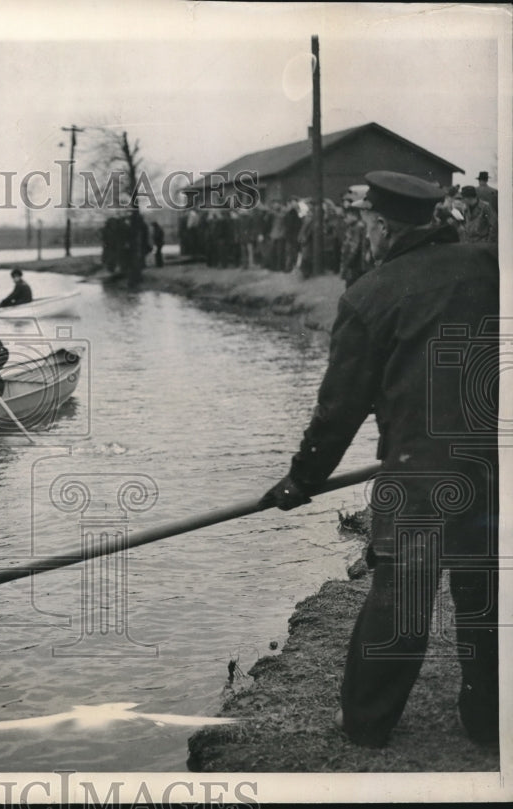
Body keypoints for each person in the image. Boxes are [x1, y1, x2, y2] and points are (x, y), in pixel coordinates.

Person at [260, 170, 498, 748]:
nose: (364, 231)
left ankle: (366, 723)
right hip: (494, 466)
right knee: (487, 595)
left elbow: (339, 410)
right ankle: (492, 722)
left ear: (381, 224)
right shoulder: (491, 266)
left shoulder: (369, 295)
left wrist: (302, 478)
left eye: (366, 221)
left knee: (402, 600)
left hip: (419, 476)